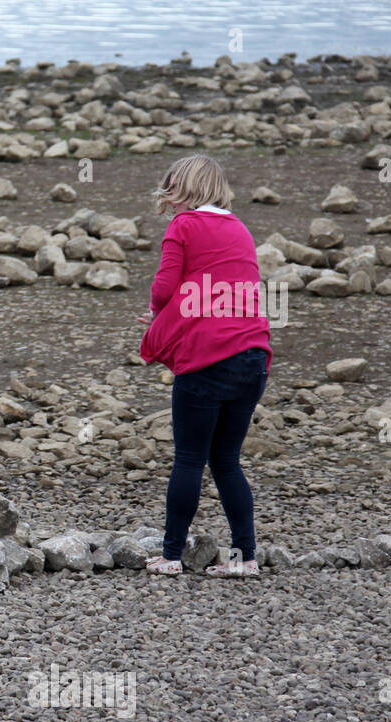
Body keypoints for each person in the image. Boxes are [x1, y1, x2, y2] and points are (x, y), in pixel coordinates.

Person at [135, 155, 273, 577]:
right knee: (228, 461)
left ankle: (172, 556)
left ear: (187, 189)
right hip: (253, 357)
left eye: (172, 188)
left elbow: (164, 288)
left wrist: (159, 313)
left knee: (190, 460)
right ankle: (245, 559)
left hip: (208, 358)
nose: (168, 197)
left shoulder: (185, 225)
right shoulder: (239, 228)